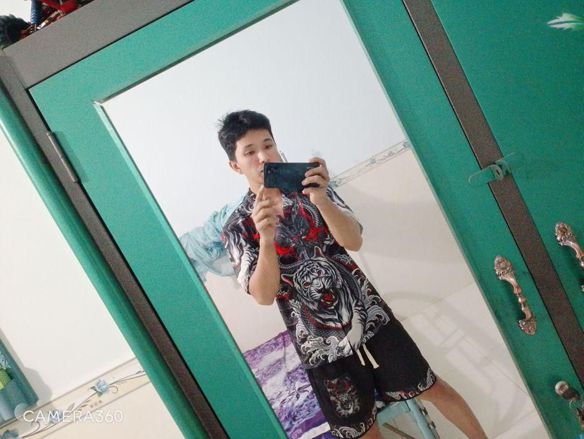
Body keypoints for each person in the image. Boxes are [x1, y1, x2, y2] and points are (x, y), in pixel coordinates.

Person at [218, 110, 487, 439]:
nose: (263, 157)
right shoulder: (237, 227)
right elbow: (263, 295)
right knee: (364, 431)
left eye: (268, 145)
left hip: (370, 316)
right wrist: (266, 238)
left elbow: (353, 241)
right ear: (235, 165)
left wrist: (321, 200)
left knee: (432, 388)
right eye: (250, 152)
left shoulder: (311, 187)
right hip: (320, 346)